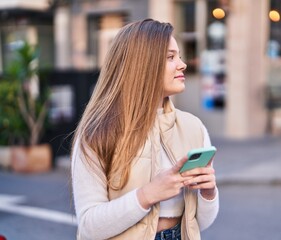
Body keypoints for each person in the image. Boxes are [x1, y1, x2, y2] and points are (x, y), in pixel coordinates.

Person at [71, 19, 219, 240]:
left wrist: (209, 194)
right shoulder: (97, 133)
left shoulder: (193, 128)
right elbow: (89, 226)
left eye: (178, 55)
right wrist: (147, 194)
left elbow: (199, 224)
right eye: (170, 57)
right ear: (142, 65)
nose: (182, 64)